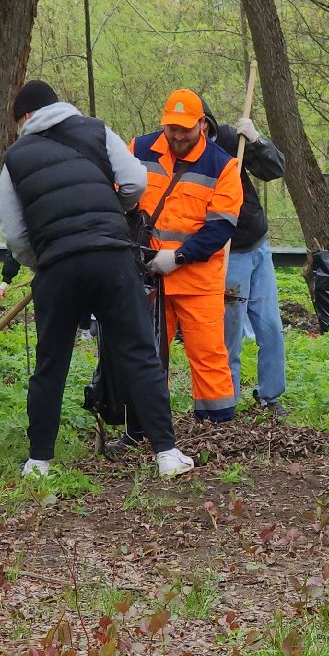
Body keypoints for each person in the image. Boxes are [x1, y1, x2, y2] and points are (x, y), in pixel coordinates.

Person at [0, 79, 190, 480]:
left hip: (57, 267)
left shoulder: (14, 158)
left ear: (27, 117)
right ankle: (167, 454)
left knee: (51, 362)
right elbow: (136, 181)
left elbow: (14, 233)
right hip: (111, 258)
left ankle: (39, 461)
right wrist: (109, 213)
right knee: (139, 351)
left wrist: (43, 257)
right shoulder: (97, 129)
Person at [132, 88, 245, 428]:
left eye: (185, 128)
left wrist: (178, 257)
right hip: (148, 275)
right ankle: (144, 426)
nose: (177, 136)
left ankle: (216, 426)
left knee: (209, 355)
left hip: (197, 279)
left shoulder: (223, 166)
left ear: (202, 125)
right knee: (145, 355)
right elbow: (118, 195)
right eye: (172, 128)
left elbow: (220, 228)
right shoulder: (138, 149)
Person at [214, 113, 288, 416]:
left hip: (257, 244)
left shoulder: (231, 139)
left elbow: (275, 168)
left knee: (270, 325)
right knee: (229, 333)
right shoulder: (189, 157)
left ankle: (270, 395)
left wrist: (257, 141)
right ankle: (226, 400)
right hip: (227, 253)